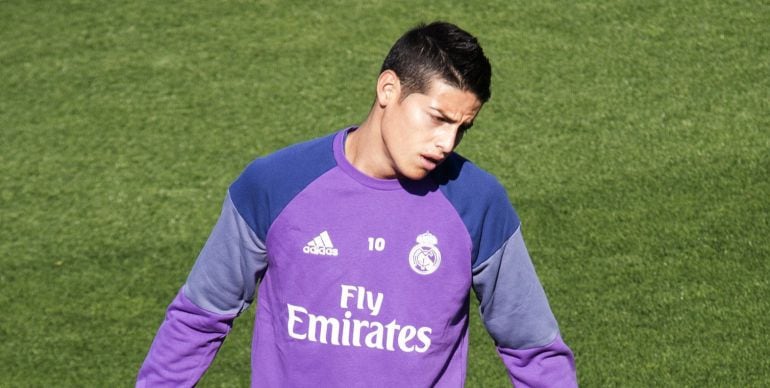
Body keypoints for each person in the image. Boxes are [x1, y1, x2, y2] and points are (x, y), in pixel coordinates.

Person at [137, 21, 577, 387]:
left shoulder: (477, 203)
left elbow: (533, 349)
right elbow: (198, 319)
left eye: (462, 128)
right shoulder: (275, 185)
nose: (447, 143)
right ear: (388, 89)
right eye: (438, 119)